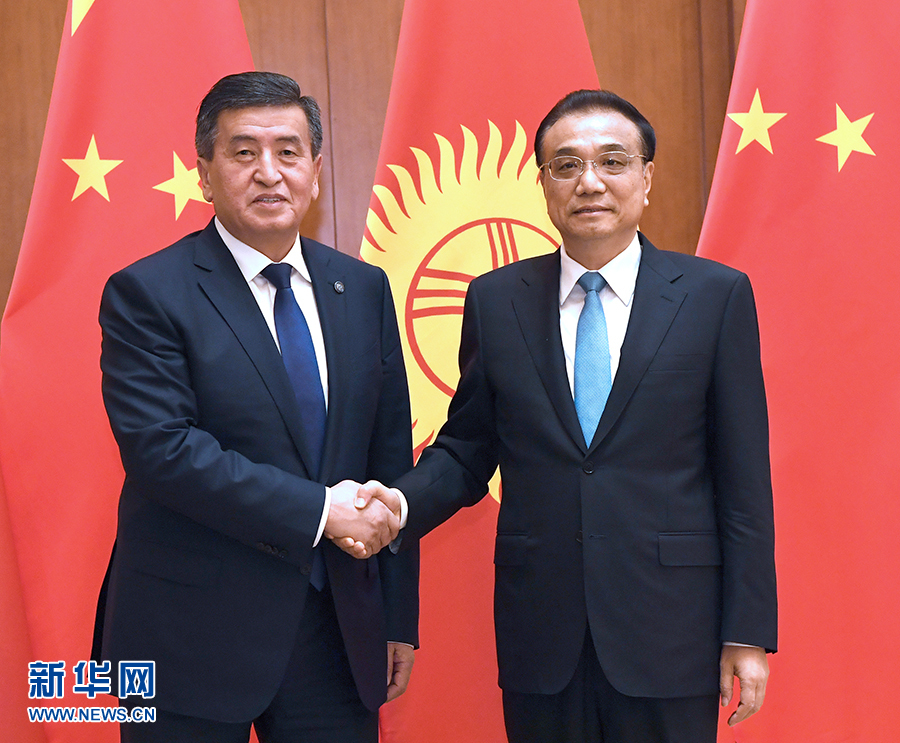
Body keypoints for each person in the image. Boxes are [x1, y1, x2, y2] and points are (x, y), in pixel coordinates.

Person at [349, 90, 777, 742]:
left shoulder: (714, 297)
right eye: (567, 165)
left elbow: (743, 480)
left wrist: (746, 631)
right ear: (544, 183)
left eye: (613, 161)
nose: (591, 182)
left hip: (671, 632)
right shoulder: (496, 302)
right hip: (542, 635)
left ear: (646, 177)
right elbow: (466, 449)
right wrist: (399, 505)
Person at [92, 71, 417, 743]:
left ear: (315, 171)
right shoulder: (147, 292)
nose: (269, 172)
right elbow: (164, 452)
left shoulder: (362, 288)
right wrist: (320, 510)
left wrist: (396, 617)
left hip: (336, 636)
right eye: (243, 152)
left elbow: (388, 457)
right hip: (187, 635)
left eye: (288, 152)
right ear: (205, 174)